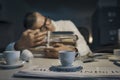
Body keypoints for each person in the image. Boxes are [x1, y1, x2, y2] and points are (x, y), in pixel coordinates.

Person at [6, 11, 92, 58]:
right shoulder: (32, 39)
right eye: (43, 28)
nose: (49, 26)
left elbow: (86, 48)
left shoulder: (67, 24)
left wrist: (71, 51)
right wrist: (19, 45)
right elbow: (7, 53)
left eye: (46, 20)